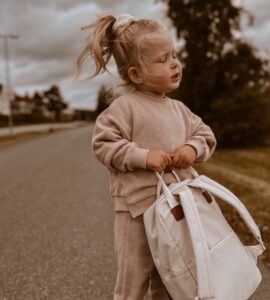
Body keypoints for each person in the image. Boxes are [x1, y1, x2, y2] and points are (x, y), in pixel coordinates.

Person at [75, 13, 217, 300]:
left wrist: (191, 149)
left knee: (172, 276)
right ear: (136, 75)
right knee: (134, 278)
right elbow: (103, 144)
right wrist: (142, 156)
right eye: (163, 59)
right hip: (136, 212)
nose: (175, 63)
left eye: (174, 55)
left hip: (177, 208)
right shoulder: (123, 109)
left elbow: (206, 136)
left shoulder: (180, 110)